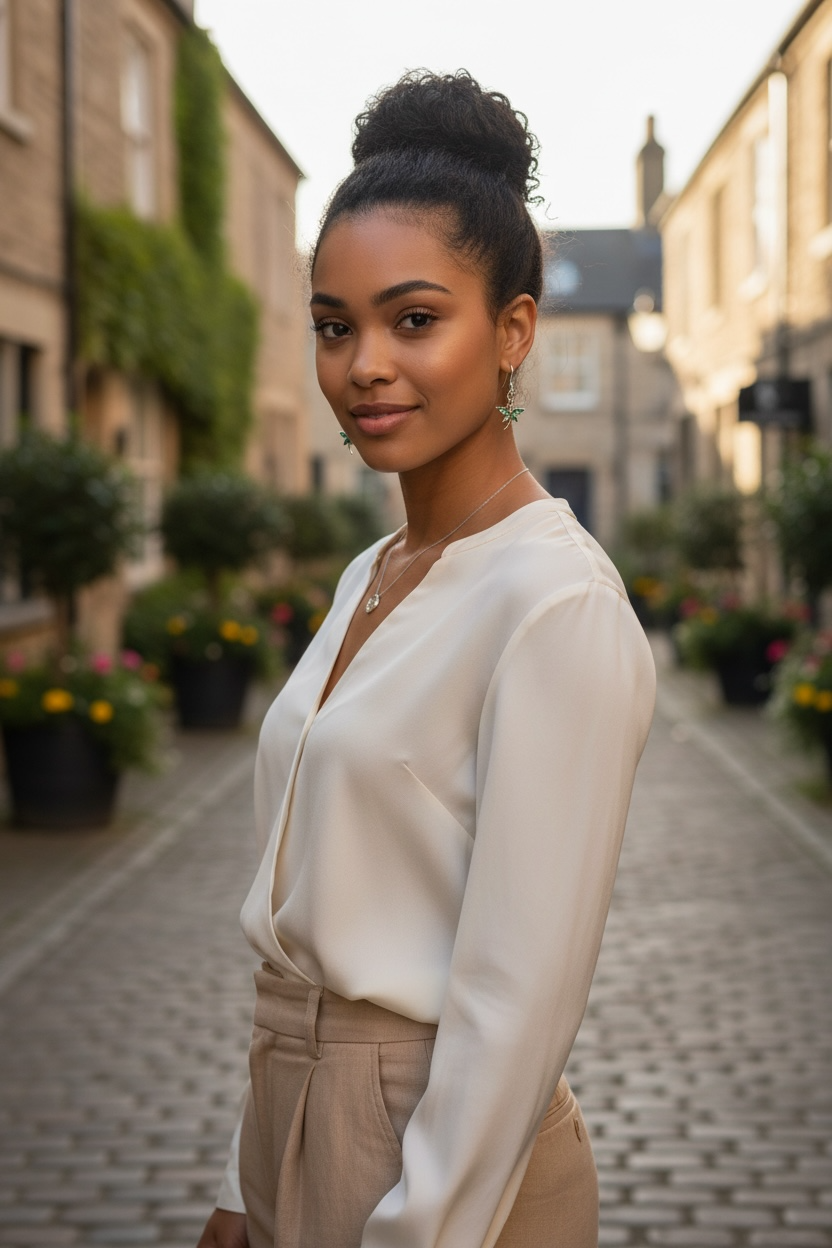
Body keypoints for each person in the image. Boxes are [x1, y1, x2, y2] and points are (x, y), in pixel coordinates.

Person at [197, 69, 655, 1248]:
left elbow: (516, 1004)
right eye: (333, 326)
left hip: (438, 1165)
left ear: (512, 332)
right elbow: (309, 918)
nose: (363, 365)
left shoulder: (554, 603)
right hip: (293, 1117)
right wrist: (251, 1177)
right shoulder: (371, 570)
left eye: (413, 320)